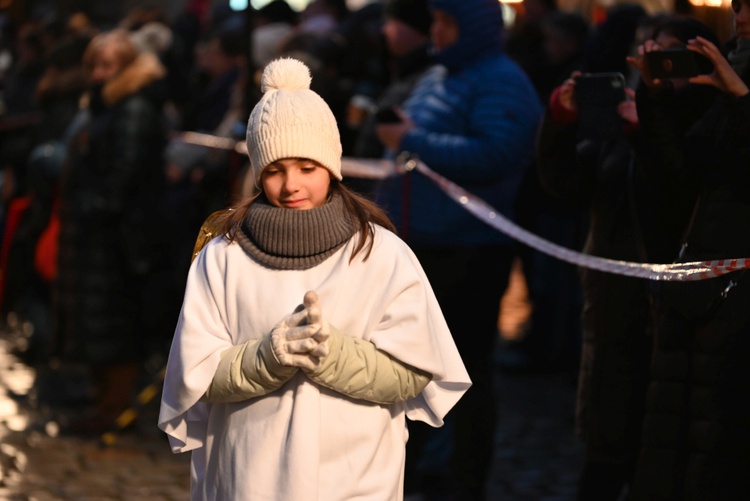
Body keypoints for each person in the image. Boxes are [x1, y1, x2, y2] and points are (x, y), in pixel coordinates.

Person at [157, 57, 471, 500]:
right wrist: (266, 359)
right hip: (249, 479)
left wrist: (333, 355)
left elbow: (412, 372)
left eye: (307, 167)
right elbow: (196, 374)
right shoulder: (223, 257)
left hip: (357, 480)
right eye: (274, 170)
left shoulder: (381, 254)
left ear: (332, 164)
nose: (291, 186)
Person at [538, 16, 721, 500]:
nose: (653, 64)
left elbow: (676, 190)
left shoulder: (708, 123)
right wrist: (558, 122)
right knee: (606, 447)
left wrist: (649, 129)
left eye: (667, 54)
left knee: (659, 452)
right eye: (648, 52)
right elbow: (566, 186)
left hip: (674, 312)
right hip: (614, 306)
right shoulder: (623, 123)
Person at [373, 0, 542, 497]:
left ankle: (464, 481)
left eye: (447, 23)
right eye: (438, 21)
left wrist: (413, 139)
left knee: (463, 371)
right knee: (411, 366)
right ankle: (417, 467)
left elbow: (496, 153)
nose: (437, 31)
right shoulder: (438, 75)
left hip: (469, 250)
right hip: (420, 243)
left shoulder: (501, 80)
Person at [625, 2, 750, 498]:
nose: (742, 15)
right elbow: (680, 180)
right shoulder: (725, 80)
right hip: (701, 290)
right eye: (739, 5)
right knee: (684, 438)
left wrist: (740, 99)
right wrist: (659, 101)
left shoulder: (735, 86)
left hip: (735, 299)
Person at [53, 28, 170, 433]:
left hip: (122, 237)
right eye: (94, 65)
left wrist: (95, 207)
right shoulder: (107, 105)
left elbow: (125, 172)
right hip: (104, 232)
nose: (99, 73)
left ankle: (113, 408)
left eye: (108, 66)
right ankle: (100, 399)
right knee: (99, 321)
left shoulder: (132, 108)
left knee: (117, 326)